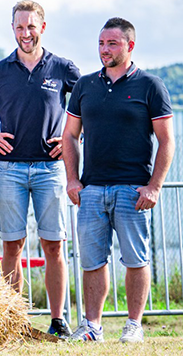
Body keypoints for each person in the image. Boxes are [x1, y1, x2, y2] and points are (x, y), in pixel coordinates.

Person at [63, 18, 173, 343]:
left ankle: (134, 325)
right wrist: (72, 179)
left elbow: (167, 140)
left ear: (130, 46)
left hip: (133, 189)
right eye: (101, 43)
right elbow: (70, 136)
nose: (104, 50)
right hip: (92, 189)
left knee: (135, 260)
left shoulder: (150, 86)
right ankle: (92, 327)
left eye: (112, 43)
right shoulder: (84, 86)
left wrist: (154, 186)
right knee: (92, 261)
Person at [0, 0, 79, 337]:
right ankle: (13, 320)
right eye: (19, 27)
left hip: (51, 170)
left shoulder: (63, 68)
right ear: (13, 29)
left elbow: (91, 106)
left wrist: (72, 139)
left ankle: (58, 319)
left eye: (31, 26)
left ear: (42, 27)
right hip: (9, 170)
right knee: (11, 246)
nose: (25, 33)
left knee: (53, 246)